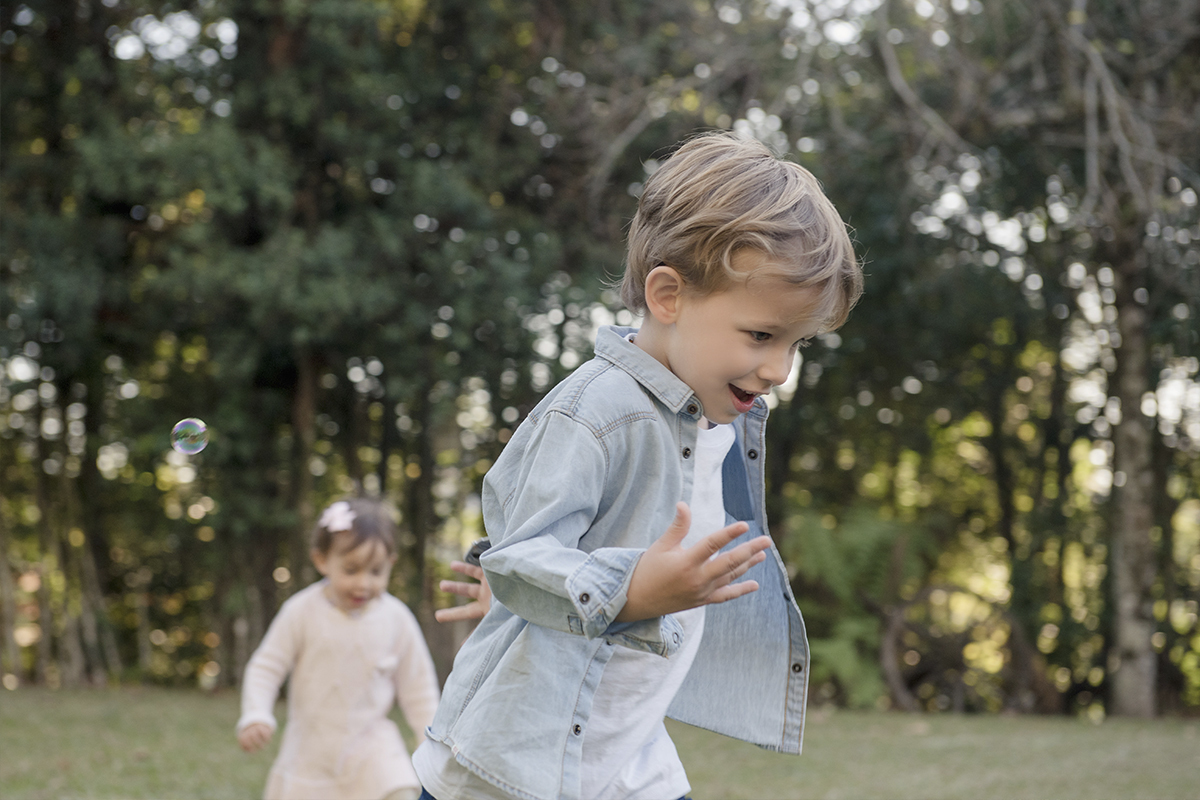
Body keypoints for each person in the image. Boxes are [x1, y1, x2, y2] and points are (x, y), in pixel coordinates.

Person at [412, 131, 863, 800]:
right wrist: (607, 589)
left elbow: (545, 559)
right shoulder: (597, 410)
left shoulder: (715, 417)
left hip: (627, 755)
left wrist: (534, 590)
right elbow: (522, 552)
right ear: (668, 296)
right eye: (762, 335)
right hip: (515, 767)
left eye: (797, 344)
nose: (779, 369)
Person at [237, 498, 441, 800]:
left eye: (376, 571)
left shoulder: (397, 619)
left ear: (391, 564)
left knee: (399, 790)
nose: (363, 583)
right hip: (313, 747)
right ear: (322, 561)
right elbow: (267, 666)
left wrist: (430, 740)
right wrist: (256, 714)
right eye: (351, 569)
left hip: (373, 746)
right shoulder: (301, 611)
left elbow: (419, 687)